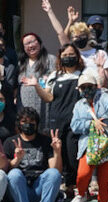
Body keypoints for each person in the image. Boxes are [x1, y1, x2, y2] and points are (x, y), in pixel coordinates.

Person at [68, 69, 108, 202]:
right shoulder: (79, 105)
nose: (87, 90)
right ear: (79, 90)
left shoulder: (104, 98)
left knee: (104, 182)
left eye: (89, 86)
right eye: (83, 87)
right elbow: (74, 125)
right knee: (83, 174)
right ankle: (82, 194)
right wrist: (91, 123)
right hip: (88, 145)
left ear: (96, 86)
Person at [31, 43, 86, 192]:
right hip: (56, 120)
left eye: (71, 55)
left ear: (78, 56)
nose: (68, 58)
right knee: (59, 152)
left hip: (77, 121)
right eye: (65, 55)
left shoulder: (84, 74)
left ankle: (77, 185)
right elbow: (48, 97)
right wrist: (37, 86)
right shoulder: (55, 75)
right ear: (60, 57)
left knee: (73, 153)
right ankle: (64, 186)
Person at [3, 107, 63, 202]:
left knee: (53, 174)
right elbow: (6, 169)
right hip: (20, 189)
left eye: (31, 121)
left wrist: (57, 151)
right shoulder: (11, 142)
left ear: (36, 123)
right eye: (24, 121)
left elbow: (55, 169)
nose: (28, 125)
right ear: (19, 123)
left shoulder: (46, 141)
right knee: (14, 173)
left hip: (39, 188)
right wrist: (17, 159)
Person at [16, 32, 56, 128]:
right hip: (24, 108)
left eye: (32, 42)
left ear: (39, 43)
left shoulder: (51, 60)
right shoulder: (21, 64)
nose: (30, 46)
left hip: (44, 108)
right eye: (26, 44)